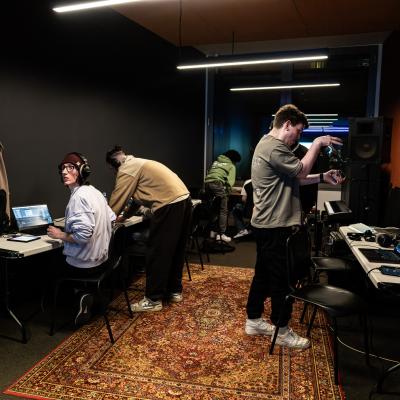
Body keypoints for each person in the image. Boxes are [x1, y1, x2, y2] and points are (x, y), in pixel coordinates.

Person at [244, 104, 344, 349]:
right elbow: (300, 170)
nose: (298, 137)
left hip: (267, 224)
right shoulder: (274, 146)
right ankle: (282, 330)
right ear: (287, 124)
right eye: (298, 131)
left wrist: (322, 177)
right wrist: (317, 143)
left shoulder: (268, 145)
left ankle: (253, 320)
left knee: (263, 274)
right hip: (275, 225)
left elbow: (296, 177)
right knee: (282, 280)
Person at [106, 145, 192, 312]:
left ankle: (153, 299)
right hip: (184, 201)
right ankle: (174, 291)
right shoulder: (138, 163)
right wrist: (124, 217)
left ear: (113, 165)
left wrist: (105, 219)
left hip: (168, 204)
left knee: (157, 252)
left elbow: (118, 198)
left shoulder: (126, 168)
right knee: (175, 250)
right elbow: (135, 199)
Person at [47, 152, 116, 325]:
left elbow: (83, 236)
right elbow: (112, 218)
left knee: (49, 265)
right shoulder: (95, 192)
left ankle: (79, 295)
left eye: (71, 167)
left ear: (82, 171)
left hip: (84, 266)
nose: (65, 172)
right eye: (63, 168)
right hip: (102, 261)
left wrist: (60, 234)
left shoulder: (79, 197)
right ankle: (87, 293)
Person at [204, 149, 241, 242]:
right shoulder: (231, 165)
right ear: (234, 160)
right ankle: (221, 234)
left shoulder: (216, 162)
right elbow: (230, 182)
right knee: (223, 210)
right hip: (217, 183)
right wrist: (227, 193)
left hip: (207, 183)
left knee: (214, 208)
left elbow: (213, 174)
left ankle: (213, 231)